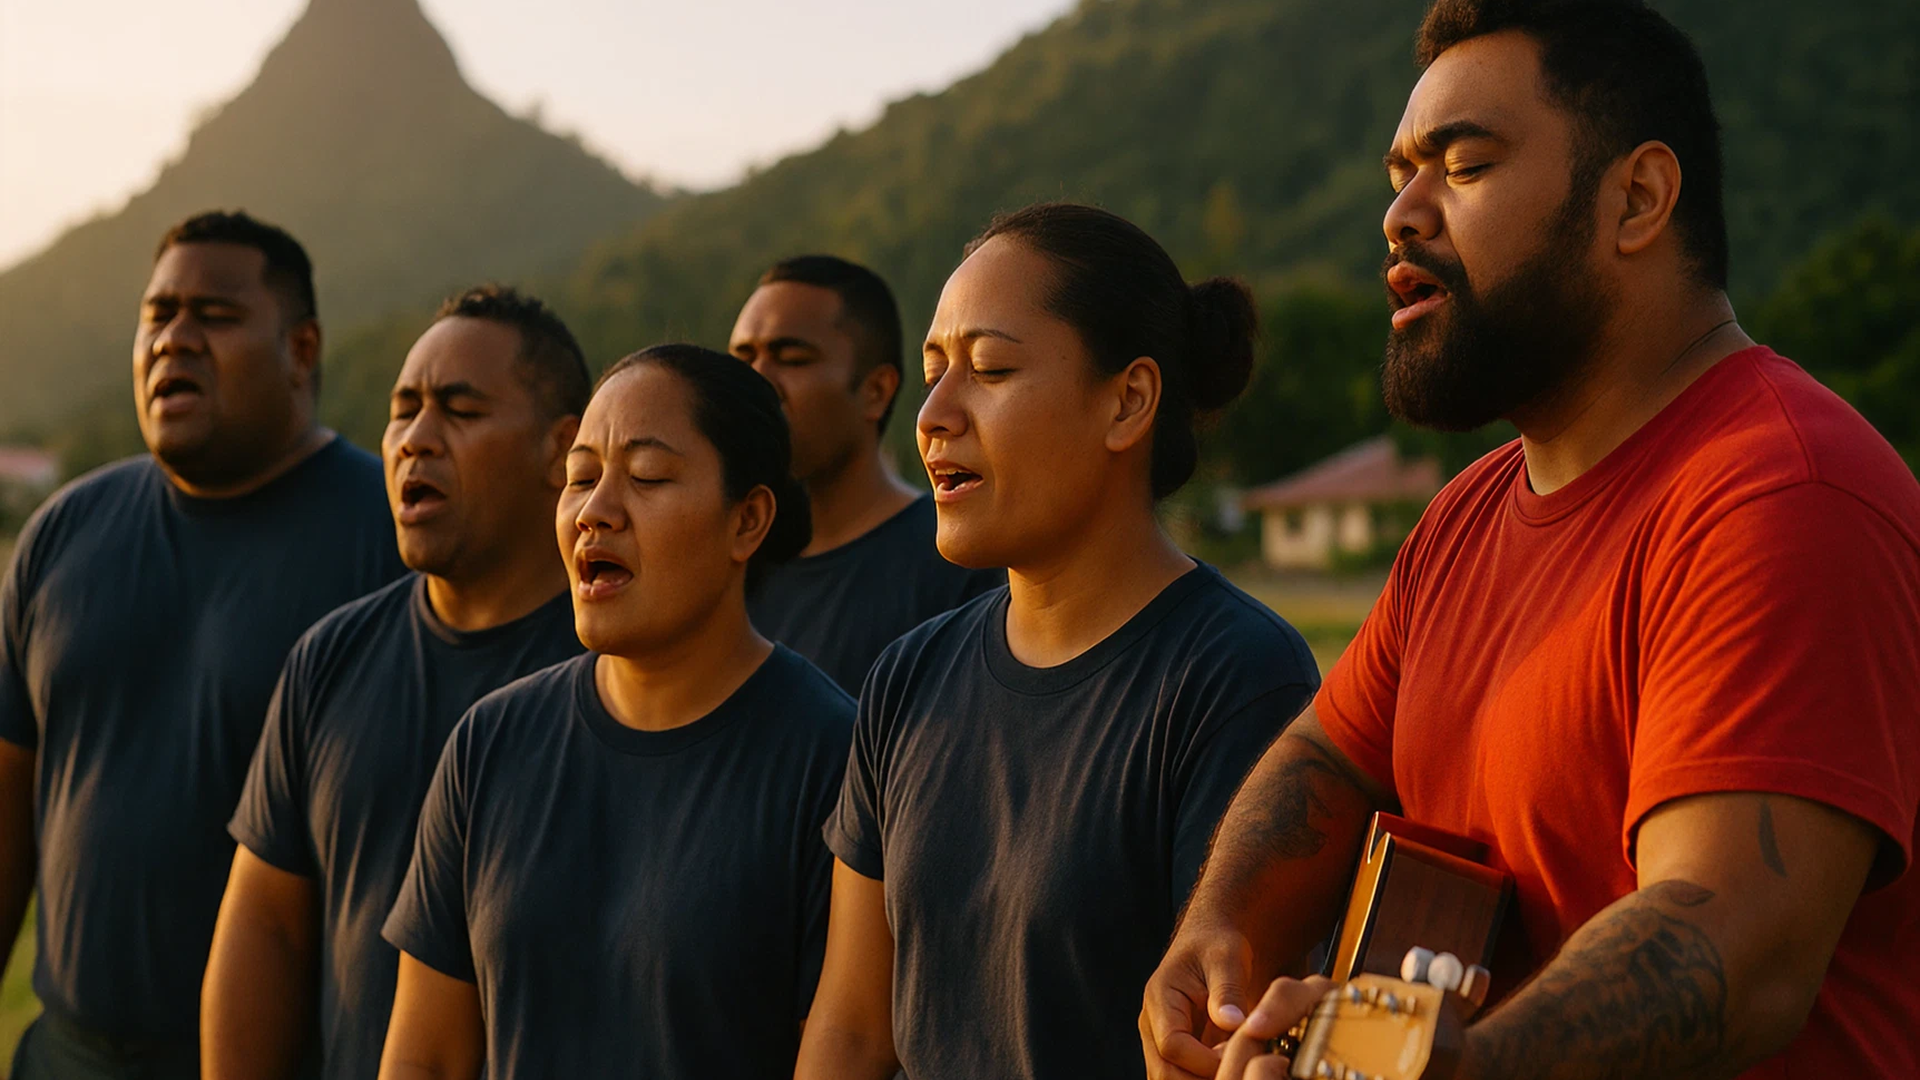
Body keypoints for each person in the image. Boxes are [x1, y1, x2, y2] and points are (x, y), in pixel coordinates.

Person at [1141, 3, 1920, 1079]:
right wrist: (1219, 934)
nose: (1402, 217)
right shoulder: (1465, 515)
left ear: (1636, 199)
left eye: (1462, 166)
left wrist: (1444, 1068)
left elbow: (1731, 948)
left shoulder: (1781, 492)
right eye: (1399, 176)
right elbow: (1328, 753)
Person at [796, 203, 1320, 1080]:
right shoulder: (908, 678)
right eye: (933, 372)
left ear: (1128, 401)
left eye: (991, 369)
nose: (933, 415)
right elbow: (852, 1032)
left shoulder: (1237, 679)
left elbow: (1224, 1035)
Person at [377, 344, 854, 1079]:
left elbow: (844, 1048)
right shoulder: (491, 743)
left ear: (747, 520)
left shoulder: (834, 761)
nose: (596, 511)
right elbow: (427, 1057)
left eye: (647, 477)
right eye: (580, 478)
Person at [0, 211, 404, 1078]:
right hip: (64, 1052)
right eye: (158, 315)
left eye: (214, 315)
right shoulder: (65, 532)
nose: (174, 339)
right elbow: (4, 816)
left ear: (302, 350)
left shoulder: (394, 545)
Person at [200, 286, 590, 1080]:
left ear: (563, 449)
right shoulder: (330, 657)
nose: (415, 438)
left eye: (459, 409)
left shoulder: (620, 677)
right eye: (402, 408)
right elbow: (265, 929)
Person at [730, 256, 1000, 693]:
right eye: (743, 359)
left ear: (876, 390)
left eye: (793, 359)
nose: (757, 382)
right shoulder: (726, 564)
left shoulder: (957, 565)